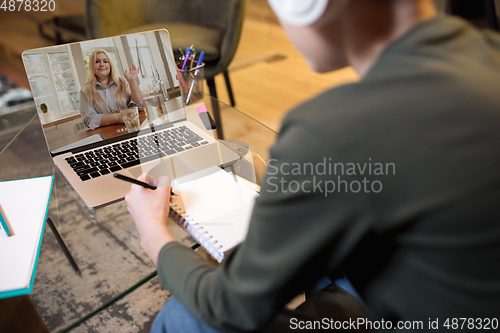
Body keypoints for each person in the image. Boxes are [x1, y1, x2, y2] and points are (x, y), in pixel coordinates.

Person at [125, 0, 500, 331]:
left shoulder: (331, 130)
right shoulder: (488, 52)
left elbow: (231, 306)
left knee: (184, 319)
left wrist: (151, 232)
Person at [80, 49, 142, 130]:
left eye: (105, 61)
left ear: (110, 65)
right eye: (97, 61)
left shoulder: (122, 82)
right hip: (107, 134)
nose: (102, 64)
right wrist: (119, 117)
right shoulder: (85, 91)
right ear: (92, 66)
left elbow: (140, 106)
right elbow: (89, 120)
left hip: (130, 128)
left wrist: (132, 81)